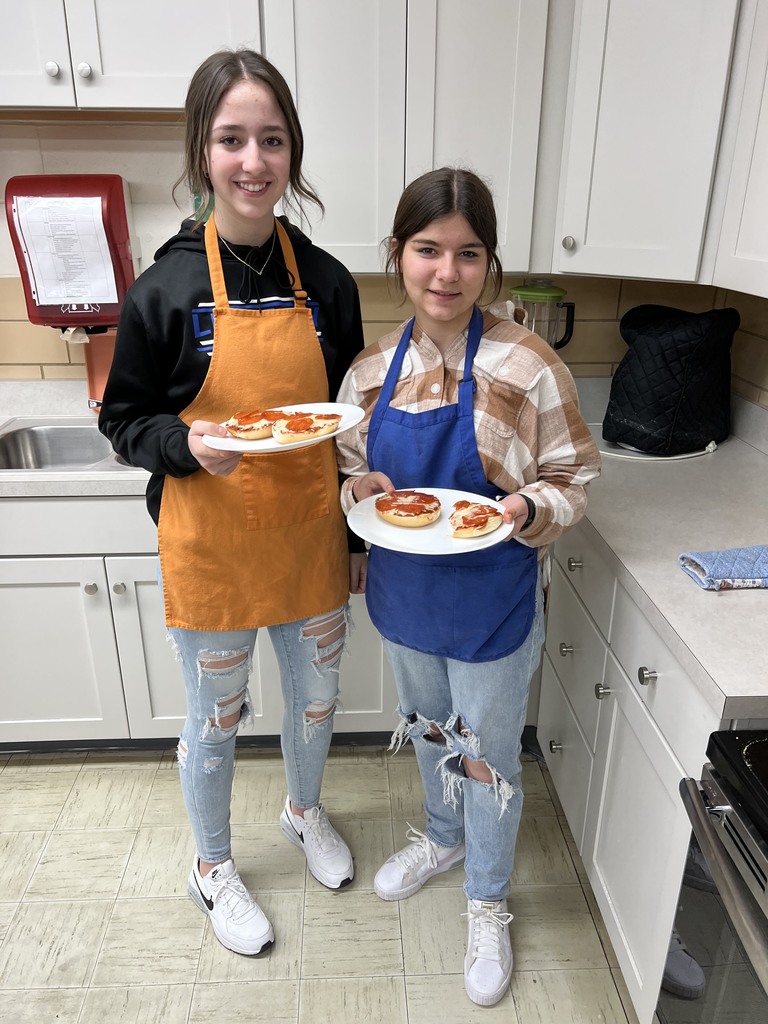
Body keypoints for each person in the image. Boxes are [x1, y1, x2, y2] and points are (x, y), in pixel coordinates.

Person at [99, 49, 365, 957]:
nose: (254, 161)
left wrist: (362, 525)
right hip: (210, 540)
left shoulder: (326, 283)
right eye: (231, 139)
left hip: (311, 538)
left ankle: (302, 810)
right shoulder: (163, 290)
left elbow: (346, 419)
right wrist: (185, 444)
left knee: (317, 703)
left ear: (293, 152)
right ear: (202, 152)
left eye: (273, 139)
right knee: (217, 717)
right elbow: (124, 418)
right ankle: (211, 866)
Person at [336, 167, 601, 1006]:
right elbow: (347, 468)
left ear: (488, 263)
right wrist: (358, 493)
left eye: (467, 253)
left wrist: (525, 504)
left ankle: (487, 899)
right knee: (427, 730)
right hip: (406, 598)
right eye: (427, 251)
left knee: (487, 758)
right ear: (397, 256)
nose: (445, 273)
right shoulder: (373, 369)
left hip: (492, 599)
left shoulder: (528, 362)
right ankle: (443, 839)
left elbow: (574, 477)